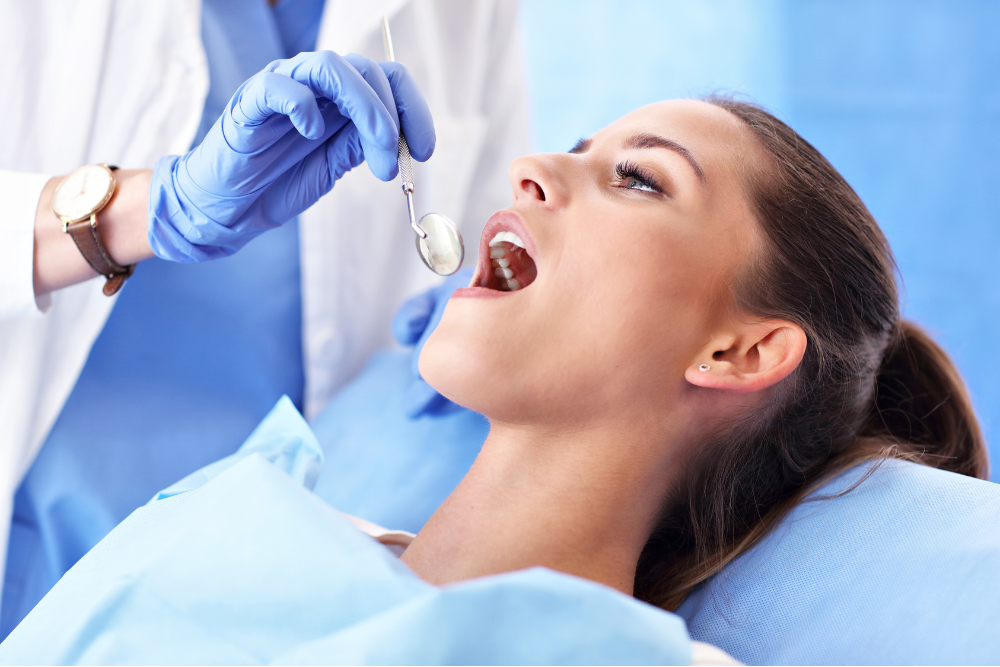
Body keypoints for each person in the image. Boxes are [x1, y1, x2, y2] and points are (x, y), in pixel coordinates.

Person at [2, 96, 993, 664]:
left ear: (739, 352)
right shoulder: (248, 506)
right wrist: (122, 215)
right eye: (572, 150)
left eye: (639, 179)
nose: (527, 168)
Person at [0, 0, 529, 637]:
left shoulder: (468, 14)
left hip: (256, 603)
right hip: (36, 563)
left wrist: (471, 304)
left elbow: (482, 236)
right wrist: (143, 210)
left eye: (635, 178)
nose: (543, 174)